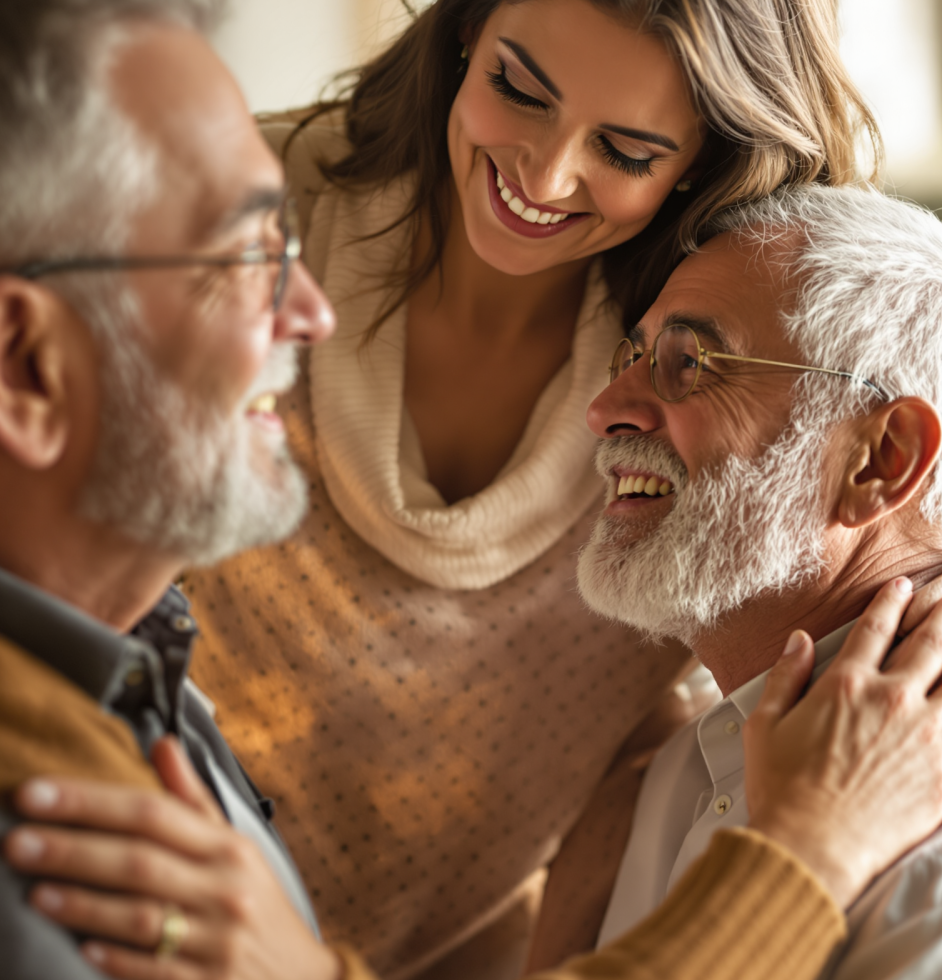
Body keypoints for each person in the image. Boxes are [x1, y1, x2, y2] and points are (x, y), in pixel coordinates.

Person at [179, 1, 882, 975]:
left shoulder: (730, 387)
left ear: (706, 164)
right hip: (123, 890)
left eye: (627, 151)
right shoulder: (218, 218)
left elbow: (666, 723)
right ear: (465, 27)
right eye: (518, 88)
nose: (542, 177)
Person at [0, 0, 334, 976]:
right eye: (250, 255)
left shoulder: (130, 636)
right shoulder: (36, 885)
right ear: (23, 365)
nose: (314, 311)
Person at [550, 182, 942, 978]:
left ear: (882, 459)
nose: (605, 408)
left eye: (689, 362)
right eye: (633, 356)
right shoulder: (668, 771)